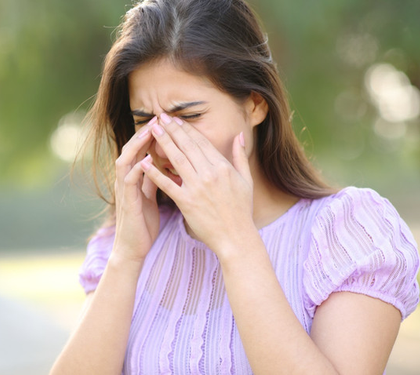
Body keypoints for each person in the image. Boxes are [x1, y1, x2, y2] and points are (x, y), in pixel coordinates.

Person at [50, 0, 420, 374]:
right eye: (144, 121)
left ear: (256, 105)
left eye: (189, 116)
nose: (164, 143)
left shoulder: (348, 233)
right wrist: (126, 257)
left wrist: (236, 241)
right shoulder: (128, 243)